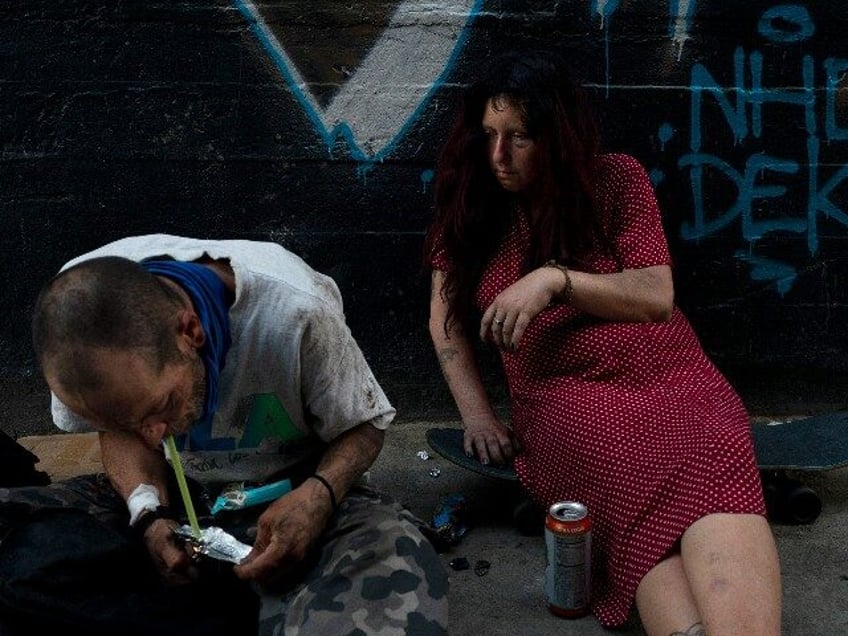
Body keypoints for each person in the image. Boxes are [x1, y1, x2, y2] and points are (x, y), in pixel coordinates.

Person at [423, 51, 781, 634]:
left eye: (519, 137)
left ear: (557, 135)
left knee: (713, 450)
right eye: (488, 135)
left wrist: (554, 280)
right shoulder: (471, 206)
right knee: (634, 482)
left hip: (673, 373)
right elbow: (445, 322)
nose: (498, 156)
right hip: (567, 394)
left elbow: (655, 294)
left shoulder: (616, 180)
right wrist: (478, 415)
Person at [2, 234, 448, 635]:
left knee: (392, 575)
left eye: (161, 407)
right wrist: (149, 516)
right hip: (168, 499)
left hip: (294, 494)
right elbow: (118, 436)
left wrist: (318, 496)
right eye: (133, 424)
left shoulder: (294, 311)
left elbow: (366, 424)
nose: (154, 435)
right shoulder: (76, 326)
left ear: (190, 332)